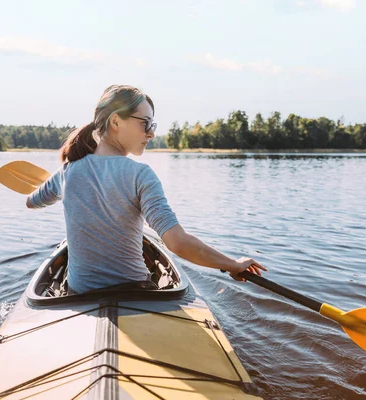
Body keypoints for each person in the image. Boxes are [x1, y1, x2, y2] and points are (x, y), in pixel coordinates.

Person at [26, 84, 266, 294]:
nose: (151, 133)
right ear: (116, 121)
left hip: (80, 292)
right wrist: (233, 264)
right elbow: (177, 242)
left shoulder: (67, 173)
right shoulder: (140, 174)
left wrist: (58, 182)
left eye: (153, 124)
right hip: (135, 290)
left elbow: (32, 201)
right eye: (146, 123)